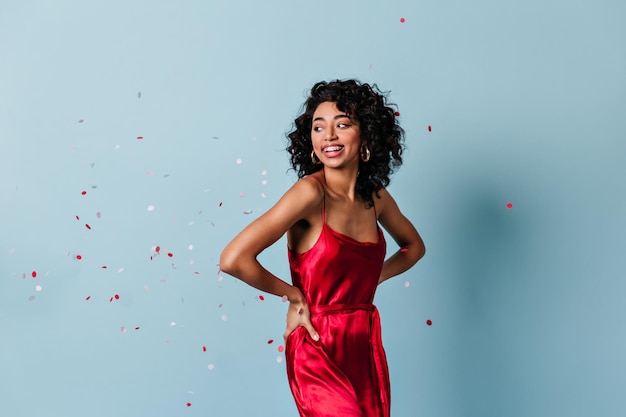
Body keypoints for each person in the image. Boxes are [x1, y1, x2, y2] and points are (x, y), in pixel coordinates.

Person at [220, 79, 425, 417]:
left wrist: (373, 280)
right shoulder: (309, 194)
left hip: (363, 340)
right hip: (316, 343)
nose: (328, 135)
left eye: (342, 124)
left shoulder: (376, 198)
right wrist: (293, 295)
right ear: (311, 143)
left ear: (366, 138)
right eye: (319, 127)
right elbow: (233, 259)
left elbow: (413, 247)